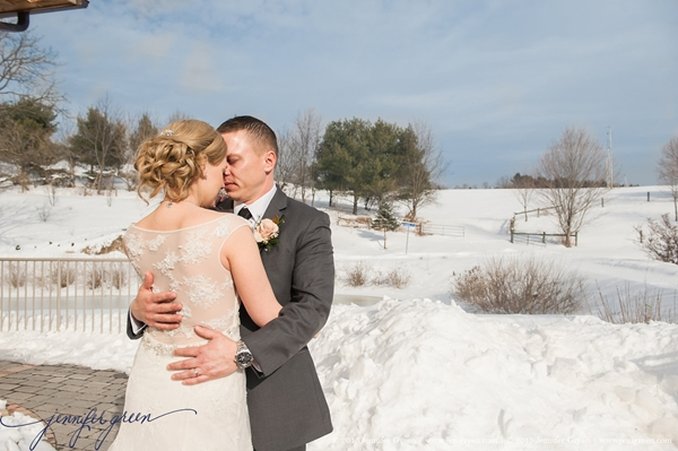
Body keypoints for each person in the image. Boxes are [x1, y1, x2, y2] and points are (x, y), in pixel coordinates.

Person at [127, 115, 334, 451]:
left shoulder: (308, 223)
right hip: (195, 392)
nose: (224, 171)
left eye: (233, 160)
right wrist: (138, 310)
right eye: (220, 162)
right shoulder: (200, 210)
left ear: (269, 160)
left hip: (272, 391)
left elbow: (313, 309)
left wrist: (242, 354)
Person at [110, 119, 283, 450]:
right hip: (207, 383)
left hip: (151, 376)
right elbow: (268, 316)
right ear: (203, 165)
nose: (223, 181)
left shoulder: (135, 234)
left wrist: (137, 309)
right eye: (221, 167)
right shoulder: (230, 230)